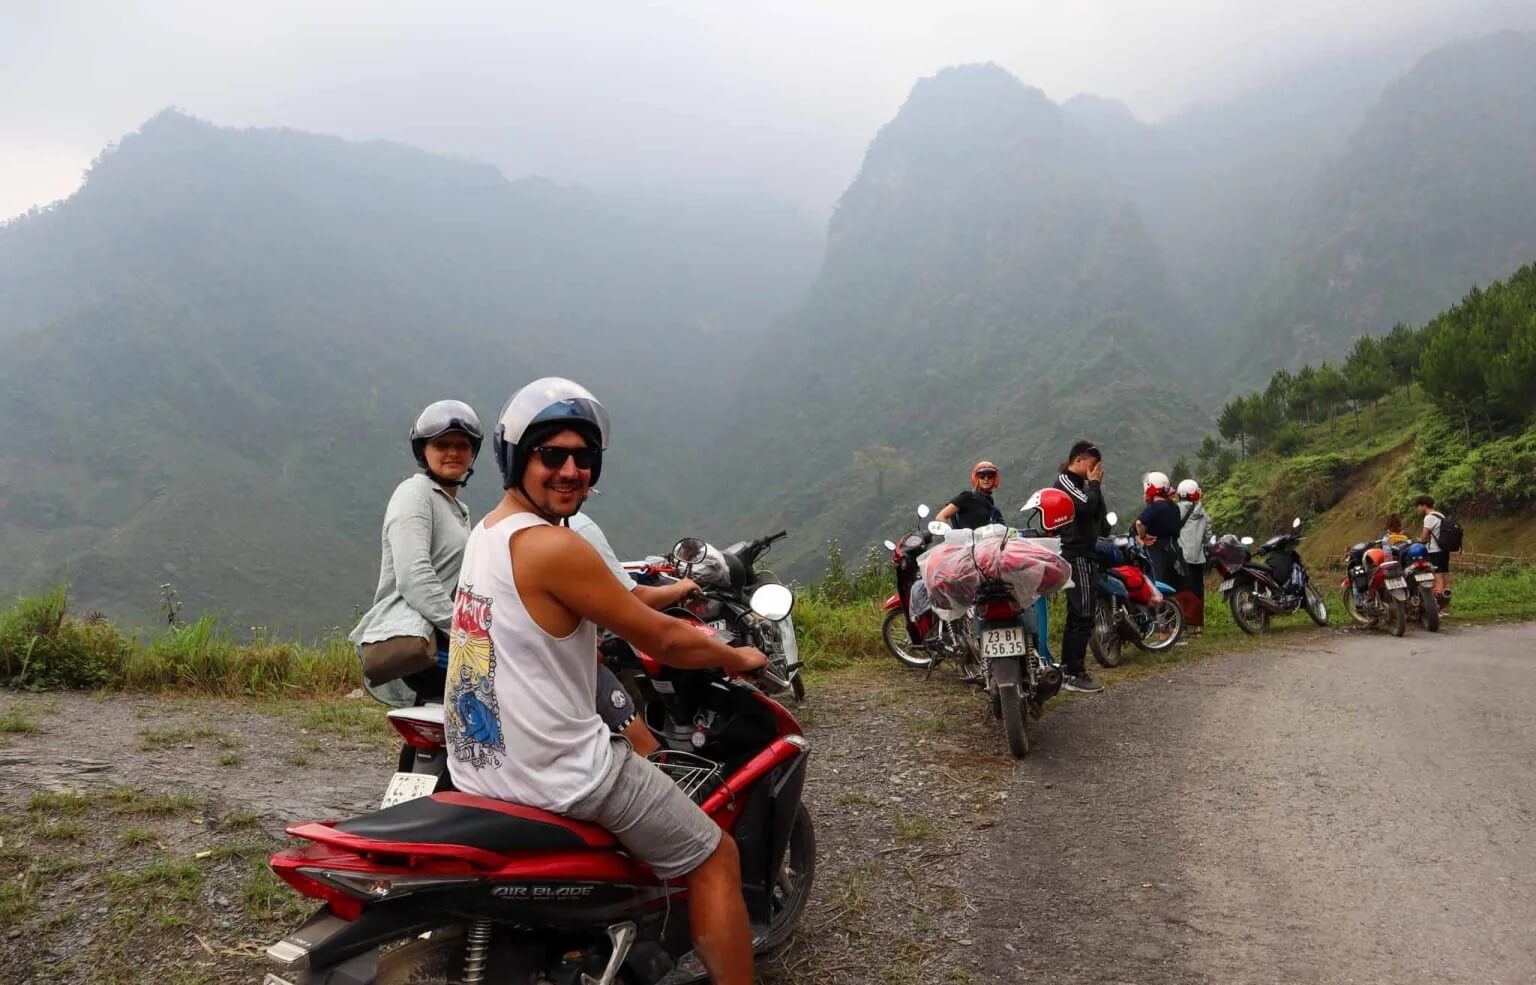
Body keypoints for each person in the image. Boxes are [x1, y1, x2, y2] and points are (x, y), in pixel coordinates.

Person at [445, 377, 763, 985]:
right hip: (563, 773)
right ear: (517, 459)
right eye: (552, 455)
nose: (570, 470)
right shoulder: (553, 548)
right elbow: (661, 637)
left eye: (583, 458)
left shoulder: (487, 532)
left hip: (480, 765)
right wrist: (734, 656)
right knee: (717, 856)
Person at [350, 400, 481, 707]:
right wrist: (466, 631)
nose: (452, 452)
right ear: (424, 451)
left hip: (444, 635)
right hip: (427, 639)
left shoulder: (456, 509)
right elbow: (413, 577)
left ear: (473, 453)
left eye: (462, 445)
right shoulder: (414, 494)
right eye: (441, 444)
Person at [570, 507, 700, 757]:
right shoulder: (578, 527)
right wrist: (681, 588)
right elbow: (636, 601)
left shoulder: (504, 529)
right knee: (647, 749)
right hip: (571, 662)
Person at [1053, 440, 1109, 693]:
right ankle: (1073, 672)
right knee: (1083, 614)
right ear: (1078, 460)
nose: (1095, 467)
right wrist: (1094, 484)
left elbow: (1100, 516)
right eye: (1092, 462)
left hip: (1088, 553)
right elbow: (1086, 508)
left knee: (1080, 613)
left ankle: (1070, 670)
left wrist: (1095, 486)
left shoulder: (1083, 485)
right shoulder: (1065, 481)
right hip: (1076, 554)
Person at [1175, 479, 1211, 639]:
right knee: (1197, 592)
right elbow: (1207, 537)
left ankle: (1181, 627)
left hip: (1181, 558)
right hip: (1198, 558)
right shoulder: (1204, 514)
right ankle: (1197, 627)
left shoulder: (1175, 511)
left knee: (1181, 591)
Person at [1135, 472, 1182, 588]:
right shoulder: (1174, 507)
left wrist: (1142, 536)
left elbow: (1139, 523)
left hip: (1156, 549)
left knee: (1158, 582)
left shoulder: (1154, 507)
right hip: (1173, 548)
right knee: (1172, 582)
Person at [936, 461, 1004, 529]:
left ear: (994, 479)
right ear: (976, 478)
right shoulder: (967, 497)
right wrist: (951, 534)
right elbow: (941, 516)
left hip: (990, 539)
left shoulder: (993, 509)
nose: (986, 479)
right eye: (982, 476)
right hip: (966, 539)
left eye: (990, 476)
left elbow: (1004, 530)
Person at [1415, 495, 1452, 608]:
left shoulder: (1429, 517)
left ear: (1424, 506)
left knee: (1437, 577)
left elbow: (1425, 536)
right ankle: (1446, 604)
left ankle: (1438, 606)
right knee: (1445, 576)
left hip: (1434, 551)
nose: (1419, 509)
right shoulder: (1441, 515)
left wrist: (1420, 540)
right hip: (1444, 550)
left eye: (1419, 506)